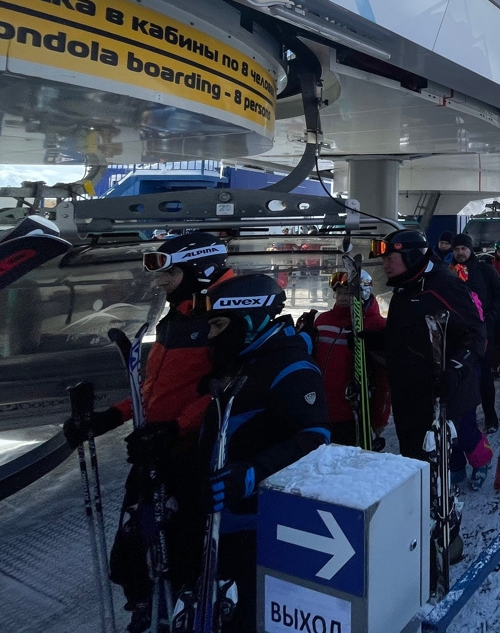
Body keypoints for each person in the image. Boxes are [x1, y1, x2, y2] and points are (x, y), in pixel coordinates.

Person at [61, 232, 232, 633]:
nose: (159, 281)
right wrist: (114, 416)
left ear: (198, 268)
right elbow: (156, 388)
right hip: (152, 451)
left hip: (191, 458)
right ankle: (144, 607)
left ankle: (184, 611)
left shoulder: (226, 314)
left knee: (181, 549)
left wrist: (176, 428)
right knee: (131, 554)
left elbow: (225, 388)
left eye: (167, 273)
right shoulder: (177, 314)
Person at [192, 273, 330, 633]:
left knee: (247, 616)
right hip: (222, 518)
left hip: (260, 524)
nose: (211, 335)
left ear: (250, 320)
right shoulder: (243, 360)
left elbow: (315, 437)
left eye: (219, 324)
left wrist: (251, 474)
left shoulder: (292, 367)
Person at [373, 231, 487, 500]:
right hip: (409, 392)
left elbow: (476, 332)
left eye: (391, 257)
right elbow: (407, 333)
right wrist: (375, 340)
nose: (385, 264)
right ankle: (425, 495)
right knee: (415, 450)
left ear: (412, 256)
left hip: (445, 390)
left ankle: (477, 464)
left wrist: (457, 370)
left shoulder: (443, 285)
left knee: (458, 437)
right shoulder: (405, 286)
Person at [311, 269, 389, 448]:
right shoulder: (323, 321)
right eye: (339, 292)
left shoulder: (375, 325)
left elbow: (383, 378)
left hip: (351, 414)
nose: (342, 297)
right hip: (320, 410)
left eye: (348, 293)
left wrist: (379, 416)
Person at [451, 233, 500, 436]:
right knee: (463, 377)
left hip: (482, 334)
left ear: (470, 249)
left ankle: (490, 416)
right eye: (456, 249)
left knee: (483, 378)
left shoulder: (484, 270)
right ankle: (466, 419)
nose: (460, 253)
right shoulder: (449, 272)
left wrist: (490, 317)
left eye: (463, 249)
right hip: (458, 335)